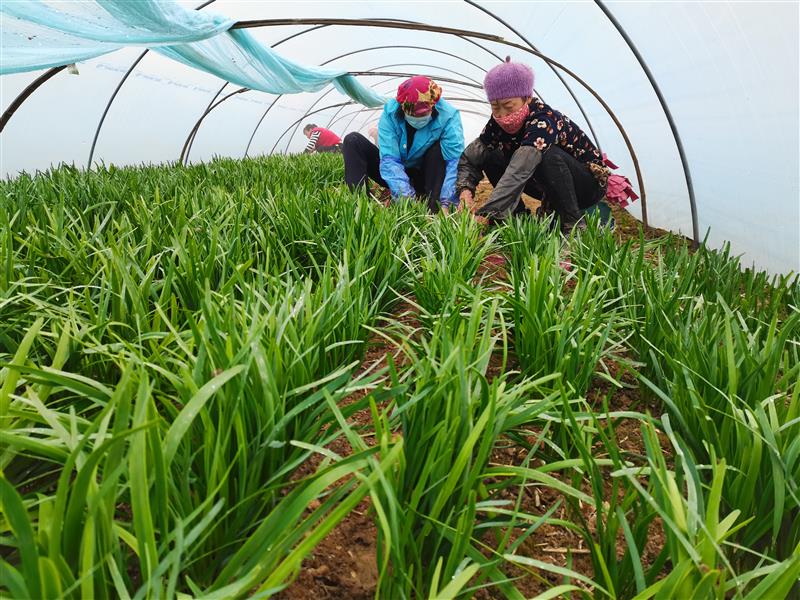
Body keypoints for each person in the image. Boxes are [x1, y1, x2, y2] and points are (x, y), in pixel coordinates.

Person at [456, 57, 635, 233]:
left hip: (585, 186)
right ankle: (516, 218)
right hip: (546, 185)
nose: (503, 115)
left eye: (509, 106)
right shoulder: (496, 124)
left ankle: (573, 226)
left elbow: (519, 169)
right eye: (495, 107)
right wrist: (465, 191)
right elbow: (470, 157)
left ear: (527, 98)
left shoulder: (543, 120)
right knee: (491, 154)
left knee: (546, 155)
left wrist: (488, 214)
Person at [342, 76, 464, 213]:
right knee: (352, 140)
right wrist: (406, 201)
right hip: (394, 173)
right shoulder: (390, 113)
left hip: (424, 175)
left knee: (437, 150)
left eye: (423, 114)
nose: (417, 118)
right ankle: (359, 207)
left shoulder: (448, 116)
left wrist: (447, 201)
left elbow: (454, 162)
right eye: (411, 113)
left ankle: (435, 208)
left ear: (433, 106)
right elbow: (390, 160)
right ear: (402, 107)